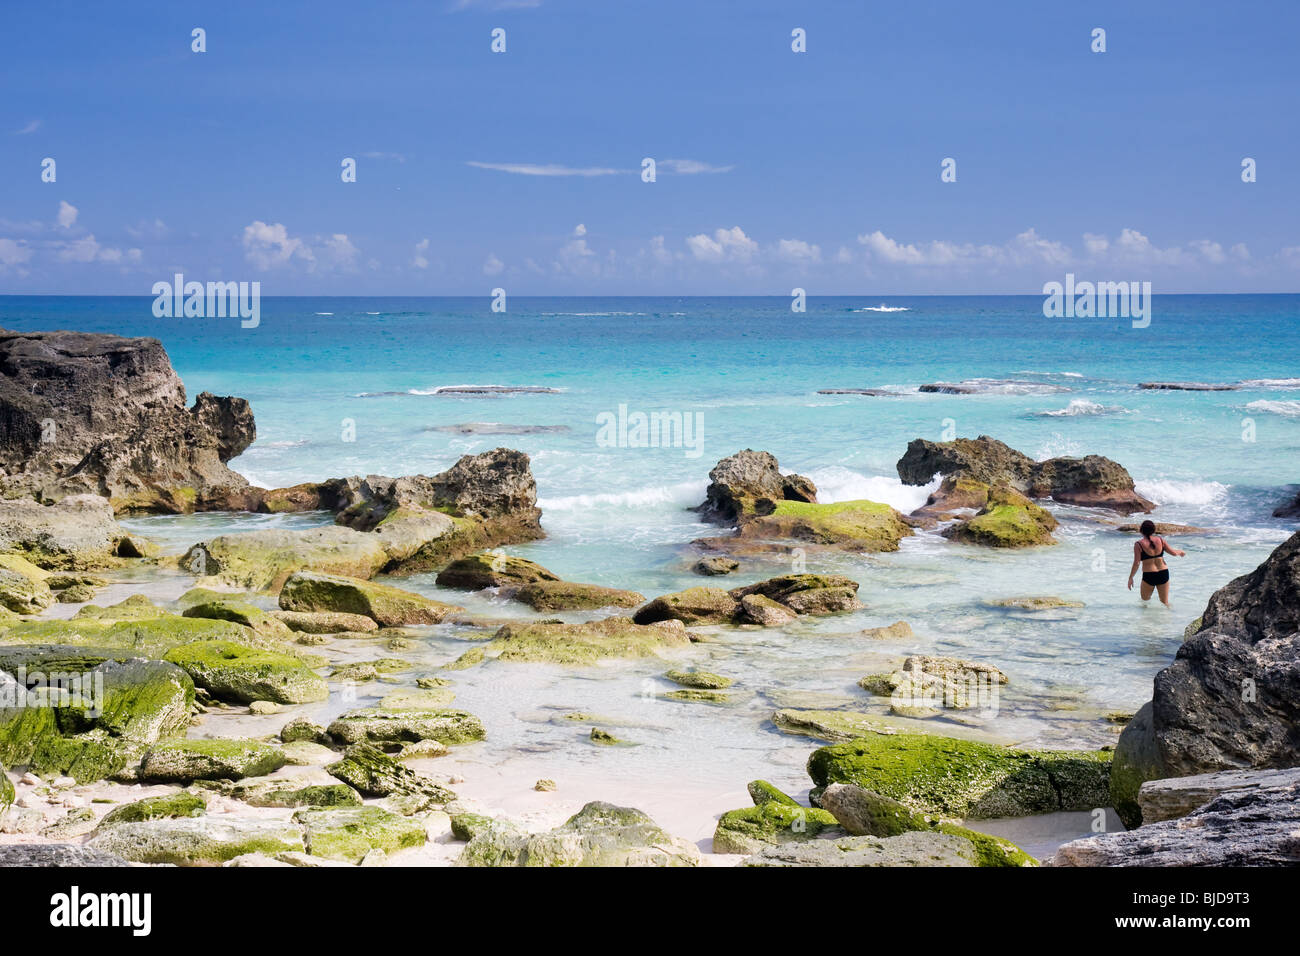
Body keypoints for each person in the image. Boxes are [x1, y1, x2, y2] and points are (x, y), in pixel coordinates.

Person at [1127, 519, 1186, 608]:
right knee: (1165, 603)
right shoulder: (1161, 540)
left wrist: (1131, 577)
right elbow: (1173, 553)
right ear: (1153, 530)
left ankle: (1145, 621)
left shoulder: (1138, 544)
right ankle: (1169, 619)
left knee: (1144, 603)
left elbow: (1137, 563)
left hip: (1149, 575)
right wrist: (1180, 552)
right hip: (1163, 573)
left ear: (1141, 530)